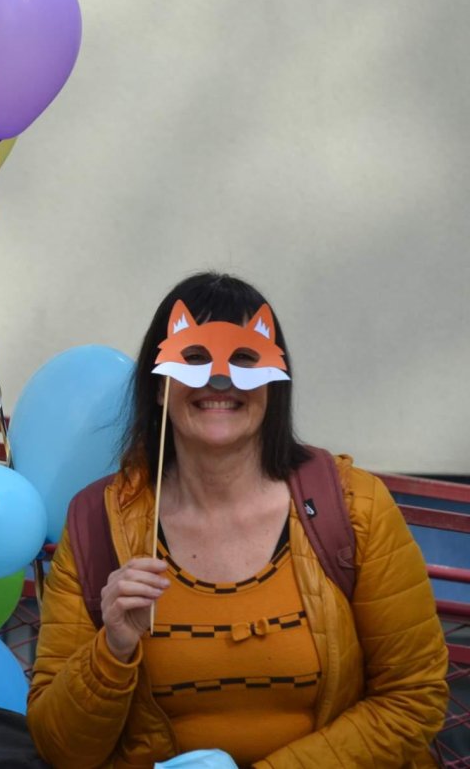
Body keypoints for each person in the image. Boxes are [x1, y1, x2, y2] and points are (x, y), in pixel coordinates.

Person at [27, 272, 448, 768]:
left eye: (245, 358)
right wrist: (112, 650)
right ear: (159, 386)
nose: (219, 379)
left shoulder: (354, 507)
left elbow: (412, 698)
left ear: (274, 382)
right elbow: (61, 749)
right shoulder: (98, 522)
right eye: (194, 358)